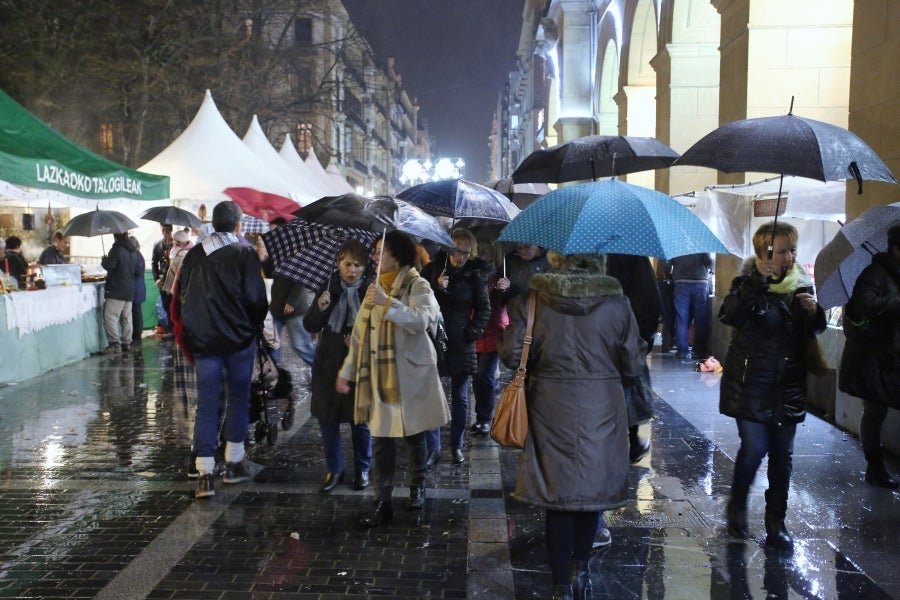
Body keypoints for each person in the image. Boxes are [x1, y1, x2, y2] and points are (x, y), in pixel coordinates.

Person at [499, 252, 645, 600]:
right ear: (597, 261)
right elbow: (633, 364)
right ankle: (581, 572)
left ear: (556, 259)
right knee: (589, 493)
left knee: (557, 495)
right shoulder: (617, 302)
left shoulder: (533, 299)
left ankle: (560, 585)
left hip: (550, 406)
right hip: (603, 407)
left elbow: (510, 355)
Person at [719, 221, 825, 551]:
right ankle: (737, 507)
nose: (789, 258)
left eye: (792, 250)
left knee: (783, 455)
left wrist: (815, 313)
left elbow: (813, 332)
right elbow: (729, 314)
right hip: (750, 383)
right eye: (781, 252)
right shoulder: (746, 283)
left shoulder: (801, 287)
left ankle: (776, 522)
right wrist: (756, 282)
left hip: (788, 387)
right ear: (764, 253)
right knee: (754, 449)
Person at [336, 231, 450, 526]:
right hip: (382, 376)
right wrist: (347, 371)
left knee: (415, 436)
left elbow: (422, 320)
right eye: (375, 252)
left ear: (396, 255)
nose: (374, 257)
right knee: (382, 440)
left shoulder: (417, 283)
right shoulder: (374, 288)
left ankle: (417, 486)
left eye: (380, 252)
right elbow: (361, 333)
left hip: (411, 374)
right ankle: (381, 500)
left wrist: (389, 303)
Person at [177, 201, 268, 499]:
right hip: (237, 341)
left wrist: (193, 333)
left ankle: (204, 473)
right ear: (239, 225)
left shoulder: (194, 255)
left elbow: (182, 298)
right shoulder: (244, 254)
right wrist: (252, 327)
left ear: (212, 224)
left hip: (204, 342)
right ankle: (233, 463)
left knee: (207, 402)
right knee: (239, 398)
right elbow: (256, 299)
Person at [303, 239, 374, 493]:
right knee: (327, 418)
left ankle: (362, 468)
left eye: (357, 265)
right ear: (338, 264)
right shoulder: (329, 287)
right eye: (346, 264)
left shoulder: (371, 290)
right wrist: (320, 309)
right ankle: (335, 468)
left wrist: (358, 334)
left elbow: (382, 326)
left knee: (360, 419)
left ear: (365, 267)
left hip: (359, 362)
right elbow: (310, 326)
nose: (351, 270)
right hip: (328, 361)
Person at [420, 228, 491, 467]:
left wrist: (471, 332)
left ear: (470, 253)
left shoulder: (475, 275)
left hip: (462, 342)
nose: (458, 256)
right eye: (454, 250)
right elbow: (418, 300)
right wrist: (437, 287)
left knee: (460, 397)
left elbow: (484, 309)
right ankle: (434, 446)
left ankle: (457, 446)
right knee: (432, 395)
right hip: (434, 340)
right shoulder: (432, 269)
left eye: (464, 252)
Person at [839, 223, 900, 489]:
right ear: (897, 249)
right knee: (874, 411)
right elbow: (864, 305)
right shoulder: (873, 274)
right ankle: (874, 467)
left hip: (893, 355)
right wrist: (897, 302)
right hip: (874, 357)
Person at [471, 240, 511, 436]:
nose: (480, 254)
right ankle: (481, 416)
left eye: (484, 251)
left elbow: (504, 300)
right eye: (478, 250)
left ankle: (485, 418)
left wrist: (503, 289)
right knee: (477, 377)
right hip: (475, 329)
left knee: (484, 375)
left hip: (494, 330)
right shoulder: (472, 272)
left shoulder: (501, 273)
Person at [100, 232, 142, 354]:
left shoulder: (116, 249)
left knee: (110, 316)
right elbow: (137, 270)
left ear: (115, 235)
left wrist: (104, 260)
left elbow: (110, 265)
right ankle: (127, 342)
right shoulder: (134, 250)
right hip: (130, 289)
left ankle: (114, 344)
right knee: (126, 317)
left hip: (117, 289)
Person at [669, 252, 713, 359]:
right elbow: (709, 261)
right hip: (700, 283)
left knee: (681, 318)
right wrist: (711, 270)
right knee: (701, 318)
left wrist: (669, 273)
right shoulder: (700, 241)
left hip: (681, 283)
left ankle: (682, 351)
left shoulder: (676, 242)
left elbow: (667, 262)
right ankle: (701, 350)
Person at [160, 230, 193, 322]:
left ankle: (174, 333)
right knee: (169, 309)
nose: (172, 242)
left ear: (179, 241)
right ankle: (172, 332)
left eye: (175, 240)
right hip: (170, 287)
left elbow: (180, 273)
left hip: (175, 289)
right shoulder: (174, 252)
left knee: (174, 311)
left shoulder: (184, 254)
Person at [152, 224, 174, 333]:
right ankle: (171, 331)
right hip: (163, 281)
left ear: (171, 230)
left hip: (175, 281)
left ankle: (175, 331)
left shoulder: (177, 244)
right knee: (166, 306)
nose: (165, 233)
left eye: (167, 231)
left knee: (174, 307)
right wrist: (156, 279)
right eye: (163, 231)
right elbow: (154, 263)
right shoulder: (157, 245)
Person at [129, 236, 147, 348]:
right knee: (136, 311)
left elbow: (138, 271)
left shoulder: (136, 256)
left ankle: (136, 334)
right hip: (138, 287)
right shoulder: (139, 255)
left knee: (136, 311)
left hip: (136, 287)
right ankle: (137, 333)